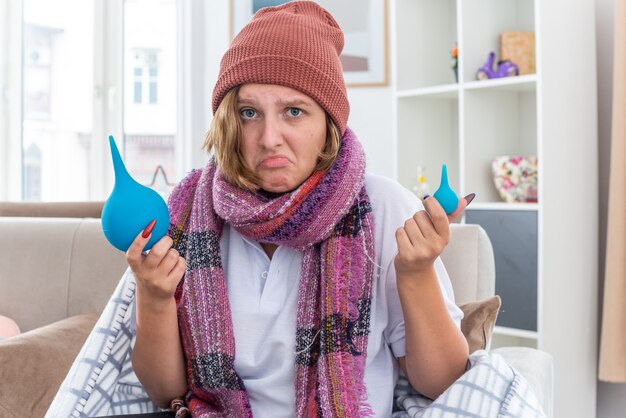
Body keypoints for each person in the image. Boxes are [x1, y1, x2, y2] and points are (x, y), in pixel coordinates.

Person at [128, 2, 472, 417]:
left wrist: (416, 276)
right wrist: (154, 297)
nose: (269, 137)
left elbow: (442, 382)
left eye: (294, 111)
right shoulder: (187, 213)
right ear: (228, 123)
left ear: (328, 122)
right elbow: (167, 392)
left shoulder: (381, 207)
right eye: (249, 113)